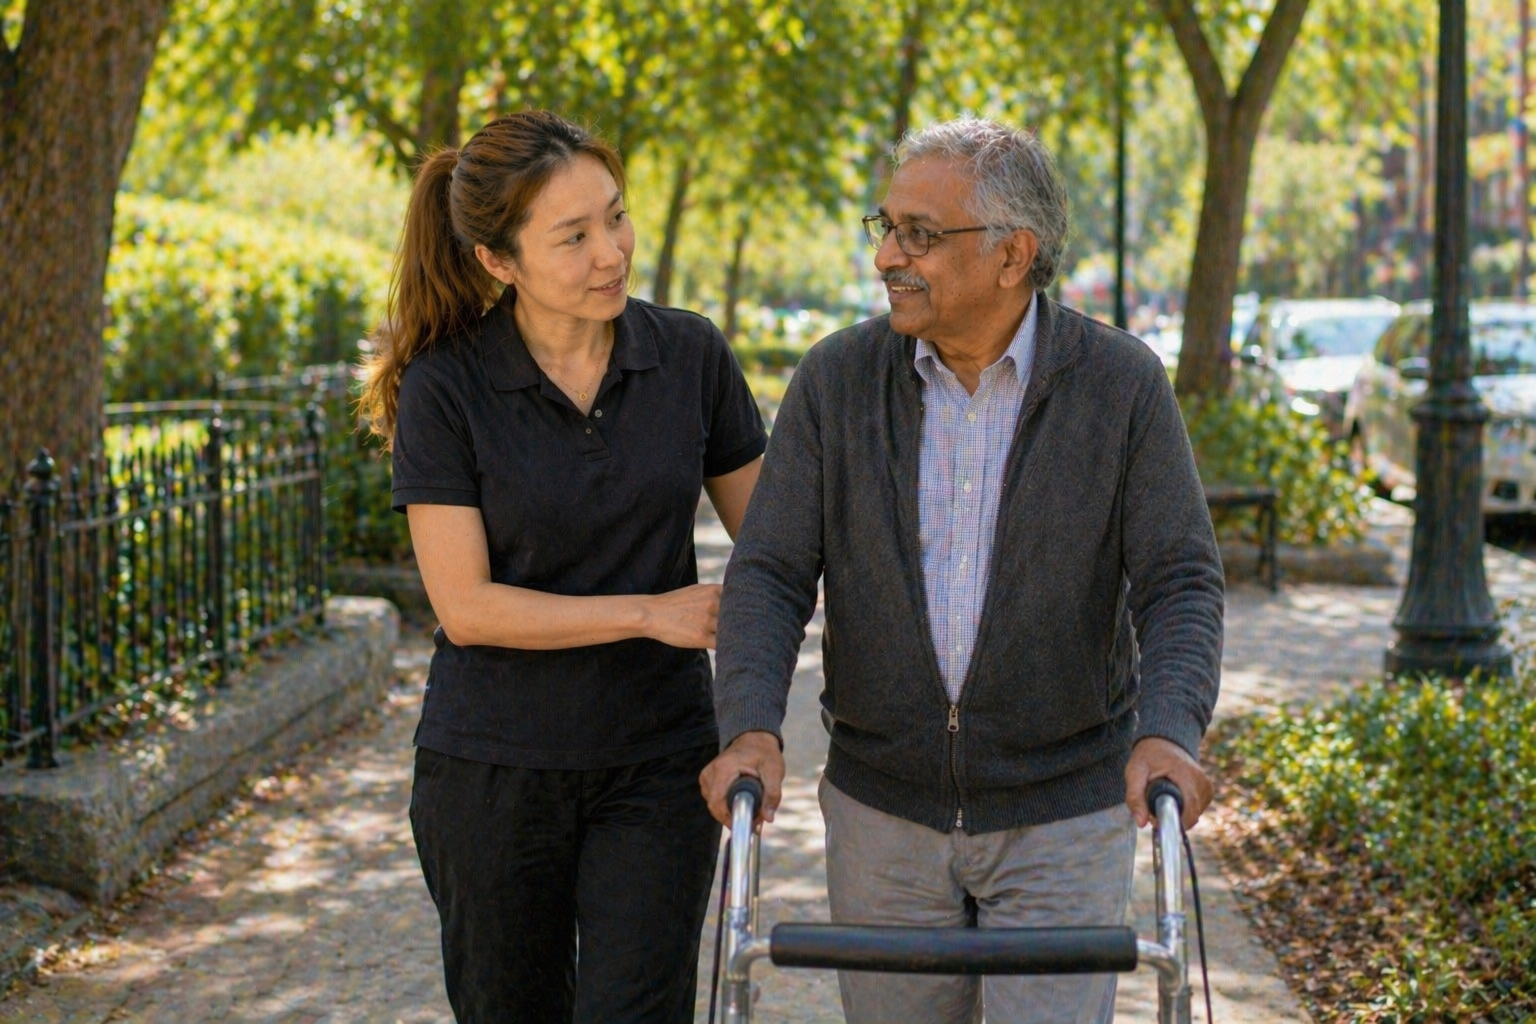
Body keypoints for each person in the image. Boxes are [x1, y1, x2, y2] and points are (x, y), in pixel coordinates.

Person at [700, 116, 1223, 1024]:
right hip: (884, 817)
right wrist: (751, 727)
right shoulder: (836, 382)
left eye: (921, 235)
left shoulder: (1121, 386)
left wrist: (1169, 730)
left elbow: (1180, 577)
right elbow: (772, 571)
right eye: (887, 227)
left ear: (1014, 255)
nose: (888, 257)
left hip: (1063, 816)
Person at [359, 110, 765, 1024]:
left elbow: (776, 544)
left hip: (657, 767)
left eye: (615, 217)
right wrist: (651, 613)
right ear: (500, 261)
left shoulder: (690, 354)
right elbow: (466, 607)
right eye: (573, 236)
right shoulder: (445, 386)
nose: (611, 252)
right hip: (490, 776)